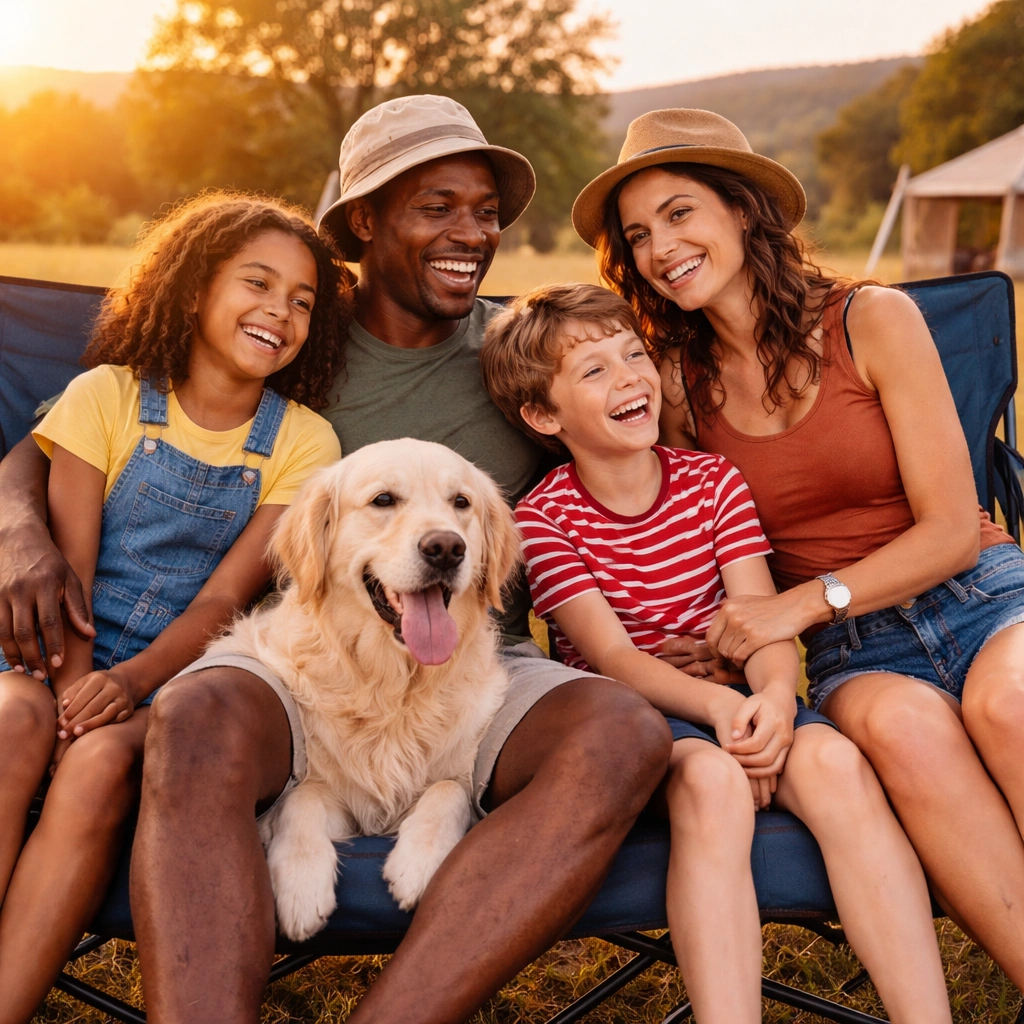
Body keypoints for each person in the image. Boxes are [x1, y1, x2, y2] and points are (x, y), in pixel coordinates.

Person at [0, 96, 672, 1023]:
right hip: (301, 654)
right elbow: (84, 425)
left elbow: (649, 453)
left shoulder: (520, 350)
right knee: (193, 714)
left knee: (626, 734)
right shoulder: (294, 337)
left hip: (471, 667)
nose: (470, 235)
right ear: (365, 221)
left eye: (485, 213)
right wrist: (15, 528)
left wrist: (699, 623)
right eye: (438, 207)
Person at [575, 106, 1024, 993]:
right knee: (905, 733)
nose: (661, 248)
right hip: (864, 653)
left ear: (741, 211)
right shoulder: (679, 386)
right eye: (639, 234)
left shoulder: (873, 322)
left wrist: (798, 603)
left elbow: (947, 527)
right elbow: (687, 530)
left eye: (679, 213)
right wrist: (697, 631)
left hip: (980, 595)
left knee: (1011, 708)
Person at [480, 281, 951, 1023]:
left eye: (632, 354)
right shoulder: (544, 519)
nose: (629, 376)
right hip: (639, 723)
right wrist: (726, 710)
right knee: (712, 783)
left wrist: (769, 699)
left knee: (835, 763)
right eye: (593, 371)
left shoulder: (712, 481)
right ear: (543, 415)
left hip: (741, 695)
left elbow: (758, 617)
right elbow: (615, 659)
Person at [0, 192, 347, 1023]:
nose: (280, 312)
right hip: (49, 650)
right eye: (257, 284)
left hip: (177, 676)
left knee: (95, 765)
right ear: (194, 290)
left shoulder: (305, 442)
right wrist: (69, 694)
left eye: (302, 302)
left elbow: (229, 597)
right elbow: (71, 564)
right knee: (12, 726)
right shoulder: (106, 396)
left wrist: (123, 691)